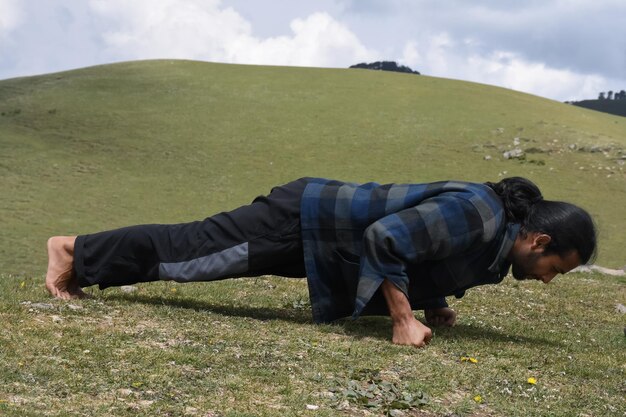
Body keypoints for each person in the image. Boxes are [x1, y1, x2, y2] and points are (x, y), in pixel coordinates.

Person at [45, 176, 596, 347]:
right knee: (191, 254)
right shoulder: (479, 212)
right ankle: (74, 250)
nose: (549, 280)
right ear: (540, 240)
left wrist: (430, 303)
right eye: (557, 268)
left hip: (324, 239)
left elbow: (426, 254)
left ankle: (83, 255)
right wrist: (403, 320)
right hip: (304, 219)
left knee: (193, 253)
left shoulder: (492, 237)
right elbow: (386, 237)